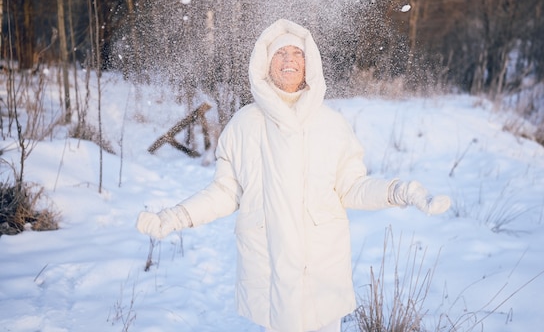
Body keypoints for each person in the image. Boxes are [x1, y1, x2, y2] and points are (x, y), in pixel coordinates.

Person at [136, 18, 451, 332]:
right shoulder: (244, 125)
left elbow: (352, 186)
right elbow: (225, 192)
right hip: (269, 270)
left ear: (309, 63)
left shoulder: (331, 124)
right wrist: (174, 217)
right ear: (265, 63)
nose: (289, 60)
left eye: (297, 53)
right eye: (280, 53)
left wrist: (399, 191)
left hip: (321, 272)